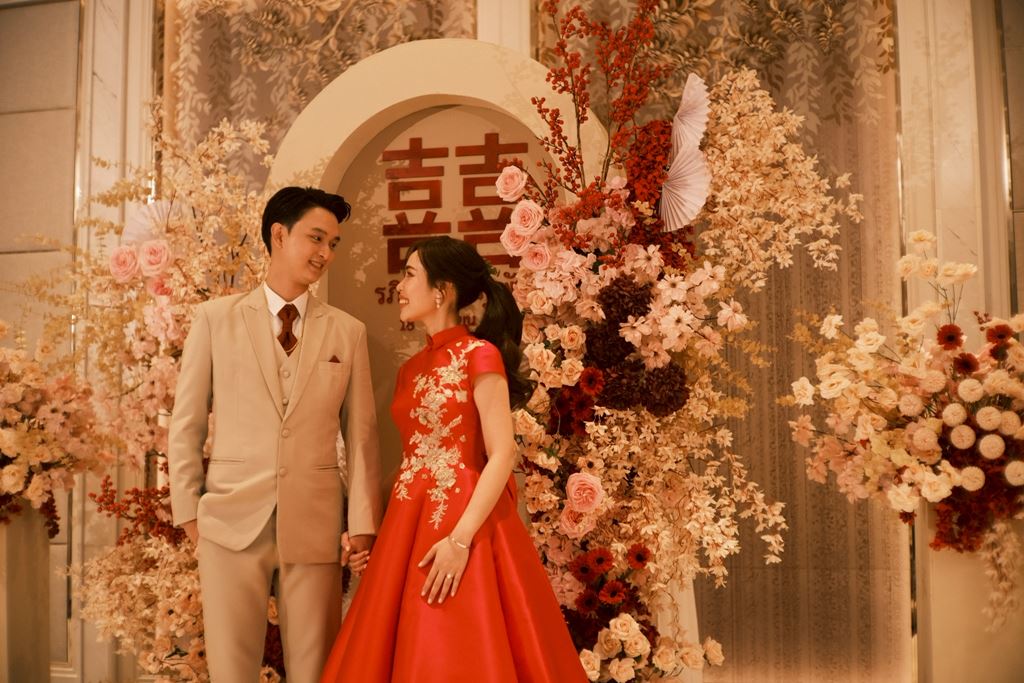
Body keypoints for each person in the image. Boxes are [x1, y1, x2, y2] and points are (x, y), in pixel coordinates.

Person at [320, 236, 586, 682]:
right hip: (407, 524)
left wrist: (460, 541)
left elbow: (501, 454)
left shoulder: (479, 355)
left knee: (457, 642)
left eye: (410, 275)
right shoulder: (410, 370)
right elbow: (414, 461)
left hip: (465, 523)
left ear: (441, 291)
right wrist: (371, 531)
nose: (400, 286)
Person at [168, 186, 383, 682]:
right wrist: (190, 515)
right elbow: (186, 423)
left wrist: (362, 523)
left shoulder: (347, 332)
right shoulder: (215, 320)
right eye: (316, 238)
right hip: (228, 521)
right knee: (231, 671)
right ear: (279, 235)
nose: (326, 253)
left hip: (316, 522)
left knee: (317, 670)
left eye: (333, 243)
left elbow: (362, 436)